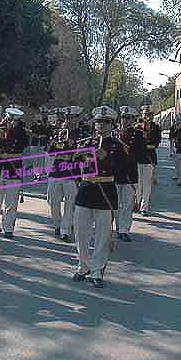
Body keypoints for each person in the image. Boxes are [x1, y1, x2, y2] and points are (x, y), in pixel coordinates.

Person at [73, 106, 134, 288]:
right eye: (99, 122)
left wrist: (106, 158)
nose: (102, 125)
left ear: (112, 125)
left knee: (102, 235)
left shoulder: (118, 146)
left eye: (106, 122)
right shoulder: (85, 143)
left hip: (106, 192)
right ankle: (83, 265)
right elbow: (73, 165)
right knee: (81, 232)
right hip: (85, 191)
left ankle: (97, 269)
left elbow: (124, 170)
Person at [0, 106, 29, 238]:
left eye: (13, 120)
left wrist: (8, 156)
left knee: (11, 202)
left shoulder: (22, 133)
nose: (10, 121)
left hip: (13, 169)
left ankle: (8, 228)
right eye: (8, 118)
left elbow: (21, 152)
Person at [47, 106, 83, 242]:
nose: (69, 120)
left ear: (77, 118)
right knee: (52, 200)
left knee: (70, 203)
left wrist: (72, 149)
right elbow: (49, 151)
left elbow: (86, 153)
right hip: (56, 170)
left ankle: (65, 230)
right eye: (67, 117)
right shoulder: (58, 132)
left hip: (72, 172)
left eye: (72, 117)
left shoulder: (82, 134)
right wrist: (56, 141)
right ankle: (57, 224)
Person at [114, 106, 143, 242]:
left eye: (128, 118)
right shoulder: (114, 133)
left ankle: (123, 230)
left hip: (129, 173)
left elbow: (139, 153)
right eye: (123, 117)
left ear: (133, 120)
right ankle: (117, 226)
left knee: (127, 204)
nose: (125, 120)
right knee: (115, 203)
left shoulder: (137, 134)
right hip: (114, 172)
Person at [136, 105, 161, 216]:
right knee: (138, 183)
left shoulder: (155, 127)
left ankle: (144, 207)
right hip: (137, 158)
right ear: (142, 114)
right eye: (145, 114)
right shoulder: (137, 127)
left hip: (149, 158)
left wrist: (144, 144)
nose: (147, 116)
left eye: (149, 114)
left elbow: (156, 143)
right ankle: (136, 203)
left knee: (146, 184)